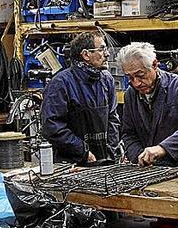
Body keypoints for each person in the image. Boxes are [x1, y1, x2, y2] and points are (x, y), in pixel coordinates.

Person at [117, 42, 178, 167]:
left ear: (154, 65)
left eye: (140, 75)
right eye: (130, 77)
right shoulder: (131, 94)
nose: (136, 83)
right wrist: (140, 156)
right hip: (150, 171)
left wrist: (163, 148)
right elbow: (129, 134)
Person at [41, 32, 120, 164]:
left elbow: (113, 118)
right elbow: (52, 126)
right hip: (72, 163)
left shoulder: (107, 80)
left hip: (104, 160)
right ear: (85, 55)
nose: (107, 54)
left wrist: (110, 151)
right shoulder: (61, 83)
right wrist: (83, 151)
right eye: (101, 49)